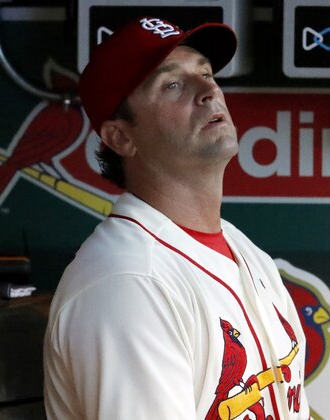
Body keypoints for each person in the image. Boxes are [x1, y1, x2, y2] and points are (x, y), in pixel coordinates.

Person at [43, 16, 310, 420]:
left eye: (205, 72)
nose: (208, 90)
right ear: (121, 137)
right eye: (172, 84)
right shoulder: (128, 284)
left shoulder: (244, 252)